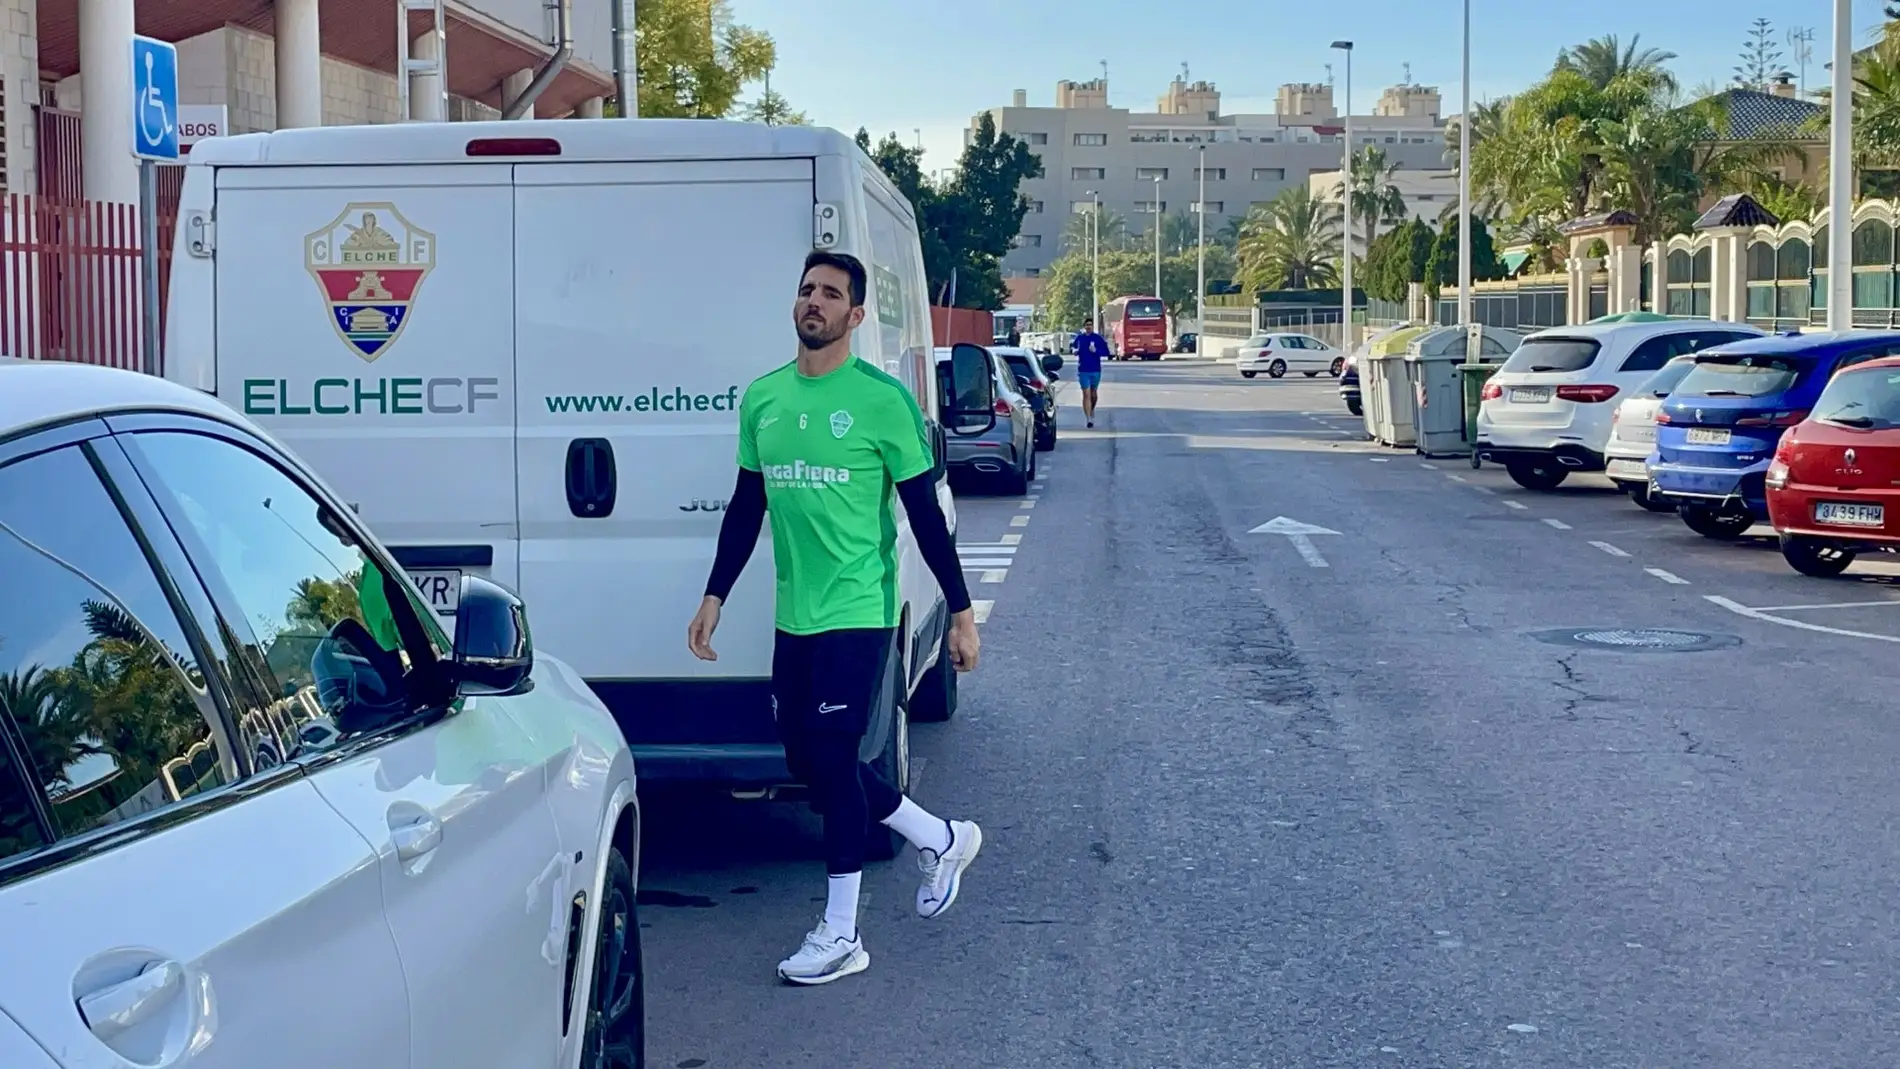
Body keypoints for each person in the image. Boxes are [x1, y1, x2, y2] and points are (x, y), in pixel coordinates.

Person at [687, 250, 985, 986]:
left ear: (854, 316)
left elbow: (923, 516)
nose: (814, 302)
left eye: (830, 294)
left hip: (859, 609)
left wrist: (961, 611)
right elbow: (746, 507)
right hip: (797, 615)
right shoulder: (764, 399)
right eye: (806, 290)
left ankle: (842, 931)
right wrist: (714, 593)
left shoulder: (882, 402)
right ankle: (938, 836)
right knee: (806, 763)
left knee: (832, 756)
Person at [1072, 317, 1111, 428]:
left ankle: (1091, 409)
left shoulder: (1097, 338)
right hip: (1083, 370)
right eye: (1087, 325)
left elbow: (1106, 352)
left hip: (1095, 370)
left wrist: (1096, 351)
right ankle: (1088, 418)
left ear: (1092, 327)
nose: (1088, 326)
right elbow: (1074, 348)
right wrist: (1074, 351)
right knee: (1086, 394)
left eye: (1090, 325)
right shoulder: (1079, 338)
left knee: (1093, 395)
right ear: (1084, 327)